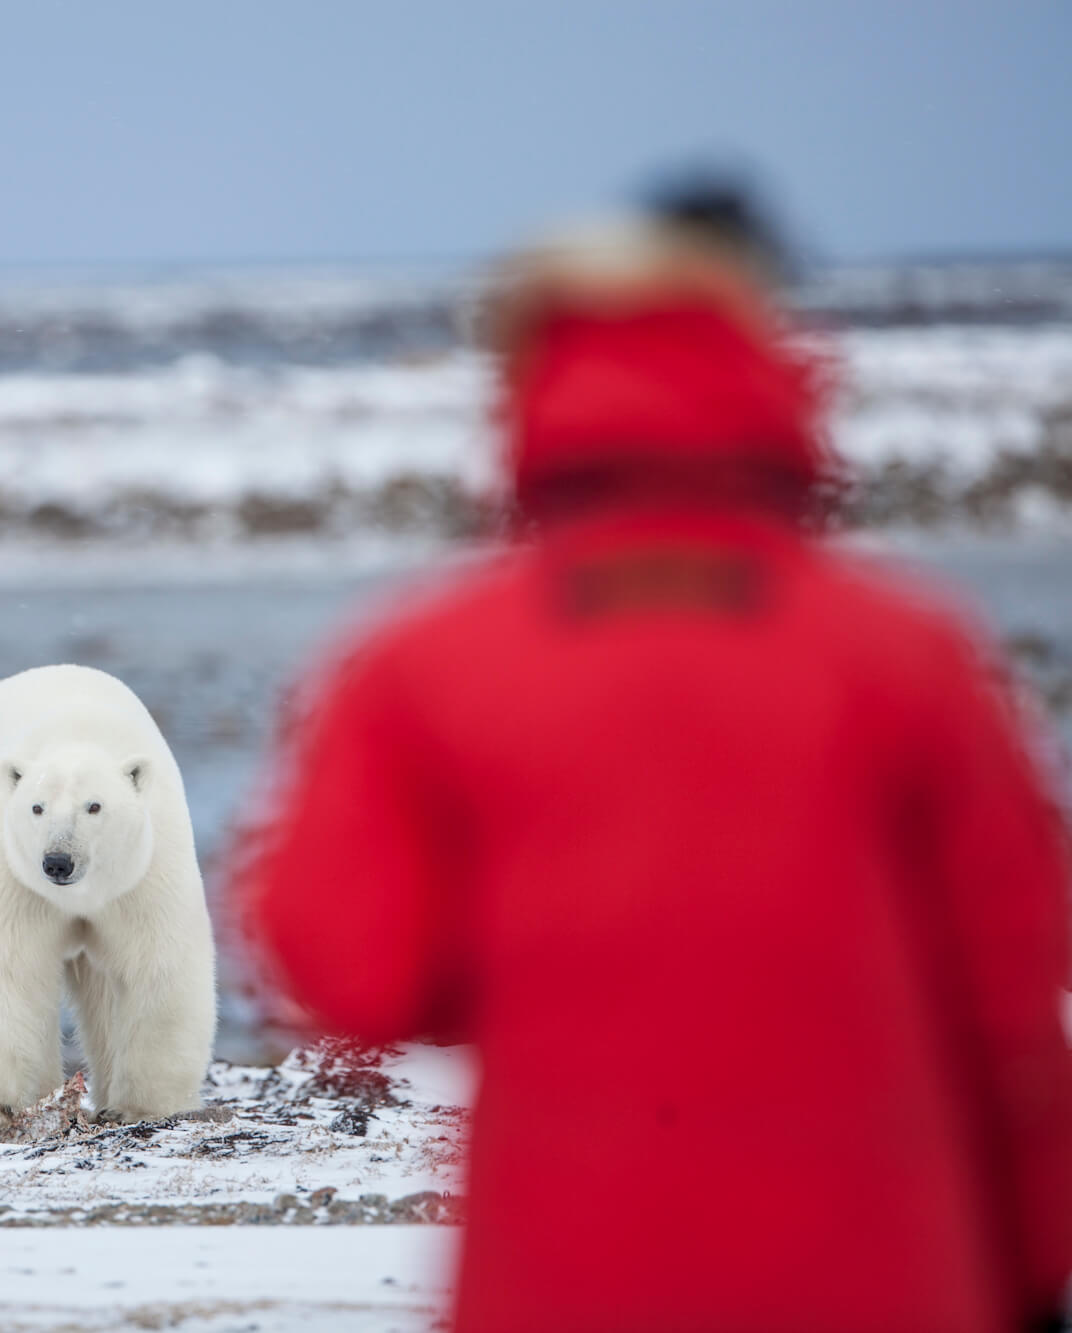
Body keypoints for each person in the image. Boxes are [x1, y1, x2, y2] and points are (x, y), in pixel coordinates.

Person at [246, 200, 1072, 1332]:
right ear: (758, 363)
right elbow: (1015, 1009)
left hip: (565, 1279)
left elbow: (347, 971)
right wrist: (1032, 1269)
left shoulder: (421, 664)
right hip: (883, 1281)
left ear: (530, 380)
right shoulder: (907, 652)